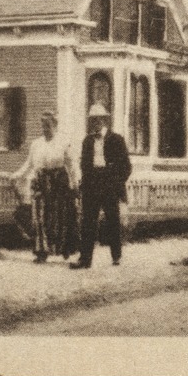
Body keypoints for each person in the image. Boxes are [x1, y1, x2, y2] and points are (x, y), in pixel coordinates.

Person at [12, 111, 78, 263]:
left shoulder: (63, 142)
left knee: (59, 217)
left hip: (59, 183)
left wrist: (74, 184)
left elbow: (71, 166)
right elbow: (29, 164)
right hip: (41, 182)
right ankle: (41, 251)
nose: (45, 129)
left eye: (48, 126)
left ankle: (63, 248)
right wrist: (17, 175)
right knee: (39, 216)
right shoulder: (36, 144)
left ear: (55, 125)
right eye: (43, 126)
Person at [71, 104, 131, 268]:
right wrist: (84, 184)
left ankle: (116, 256)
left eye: (99, 119)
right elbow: (84, 165)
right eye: (93, 120)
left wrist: (116, 183)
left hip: (109, 184)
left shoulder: (116, 139)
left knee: (113, 221)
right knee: (88, 222)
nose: (95, 123)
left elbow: (126, 166)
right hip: (92, 184)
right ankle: (85, 259)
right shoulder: (87, 141)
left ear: (105, 120)